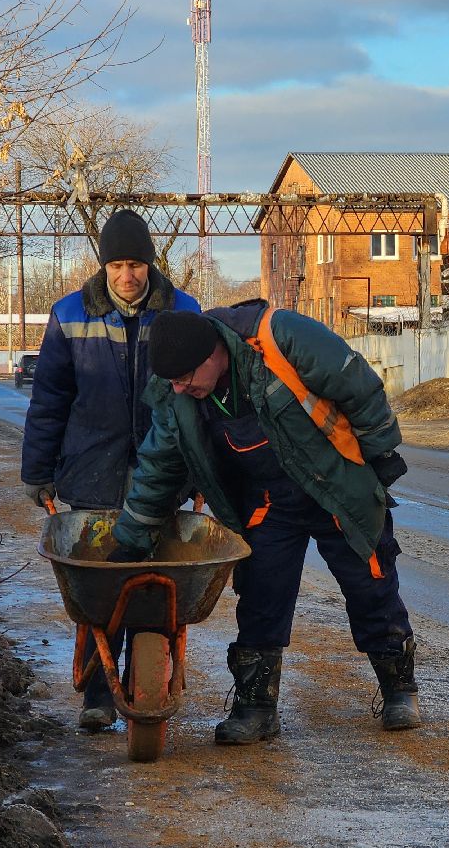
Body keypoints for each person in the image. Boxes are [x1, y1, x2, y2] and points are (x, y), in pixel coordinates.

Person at [106, 301, 421, 743]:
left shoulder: (279, 336)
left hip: (335, 485)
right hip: (269, 501)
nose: (178, 389)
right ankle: (256, 708)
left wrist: (380, 453)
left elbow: (356, 384)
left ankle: (399, 690)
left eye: (185, 378)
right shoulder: (177, 395)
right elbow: (159, 466)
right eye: (172, 381)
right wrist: (131, 538)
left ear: (213, 353)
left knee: (371, 585)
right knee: (260, 596)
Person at [21, 208, 201, 730]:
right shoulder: (69, 314)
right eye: (117, 265)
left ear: (151, 264)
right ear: (103, 266)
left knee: (156, 583)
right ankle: (99, 693)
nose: (127, 276)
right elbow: (50, 400)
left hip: (164, 473)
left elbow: (202, 401)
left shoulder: (183, 311)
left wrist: (206, 473)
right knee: (101, 585)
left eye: (136, 265)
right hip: (92, 470)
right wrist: (37, 470)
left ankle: (149, 676)